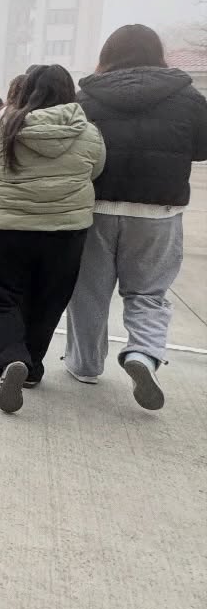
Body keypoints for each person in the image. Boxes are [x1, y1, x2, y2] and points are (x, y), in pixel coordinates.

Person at [64, 25, 207, 410]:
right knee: (148, 291)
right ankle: (144, 352)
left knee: (88, 292)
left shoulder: (87, 98)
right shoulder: (188, 98)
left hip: (96, 208)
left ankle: (85, 364)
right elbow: (201, 148)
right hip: (158, 211)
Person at [0, 64, 105, 415]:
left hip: (4, 230)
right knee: (48, 300)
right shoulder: (89, 134)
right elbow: (96, 170)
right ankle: (32, 368)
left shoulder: (6, 128)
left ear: (26, 91)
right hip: (65, 233)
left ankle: (11, 358)